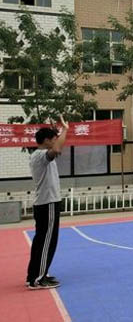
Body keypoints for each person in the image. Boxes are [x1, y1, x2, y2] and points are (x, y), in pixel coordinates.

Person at [26, 117, 69, 290]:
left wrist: (56, 132)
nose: (54, 142)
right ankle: (38, 278)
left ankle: (35, 274)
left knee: (41, 241)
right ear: (45, 141)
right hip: (48, 203)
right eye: (52, 139)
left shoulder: (39, 155)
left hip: (44, 203)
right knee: (47, 242)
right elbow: (57, 149)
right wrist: (65, 129)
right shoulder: (40, 156)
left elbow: (56, 148)